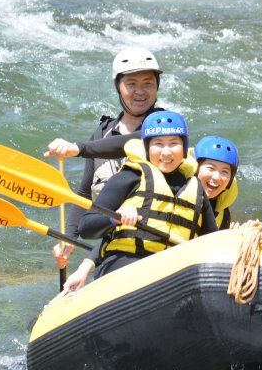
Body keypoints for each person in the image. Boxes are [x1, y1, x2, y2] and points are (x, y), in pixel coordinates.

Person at [45, 47, 164, 277]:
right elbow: (84, 196)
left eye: (148, 83)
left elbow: (130, 142)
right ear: (118, 87)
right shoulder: (102, 134)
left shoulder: (165, 133)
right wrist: (68, 240)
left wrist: (79, 149)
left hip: (147, 245)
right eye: (131, 84)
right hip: (109, 244)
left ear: (157, 86)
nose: (140, 91)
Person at [68, 111, 218, 282]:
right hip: (126, 264)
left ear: (183, 148)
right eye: (158, 143)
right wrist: (114, 219)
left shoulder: (196, 189)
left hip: (174, 271)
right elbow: (86, 227)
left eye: (174, 143)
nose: (167, 152)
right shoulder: (129, 177)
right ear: (147, 148)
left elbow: (211, 241)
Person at [193, 136, 240, 230]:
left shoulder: (222, 211)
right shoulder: (176, 194)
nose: (216, 177)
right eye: (211, 168)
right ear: (195, 169)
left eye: (224, 172)